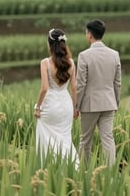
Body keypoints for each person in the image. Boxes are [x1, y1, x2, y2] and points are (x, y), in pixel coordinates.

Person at [76, 20, 121, 167]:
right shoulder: (115, 55)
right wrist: (116, 103)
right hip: (109, 103)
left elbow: (81, 84)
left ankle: (84, 173)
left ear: (89, 35)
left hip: (89, 105)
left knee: (85, 140)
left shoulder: (84, 56)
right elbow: (117, 83)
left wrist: (76, 106)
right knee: (108, 139)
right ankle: (111, 174)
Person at [34, 28, 79, 167]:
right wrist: (75, 108)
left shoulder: (45, 63)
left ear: (50, 45)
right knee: (65, 139)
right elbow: (74, 88)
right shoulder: (71, 63)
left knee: (46, 140)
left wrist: (38, 106)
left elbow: (44, 88)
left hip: (50, 105)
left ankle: (48, 170)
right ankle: (73, 167)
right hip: (65, 105)